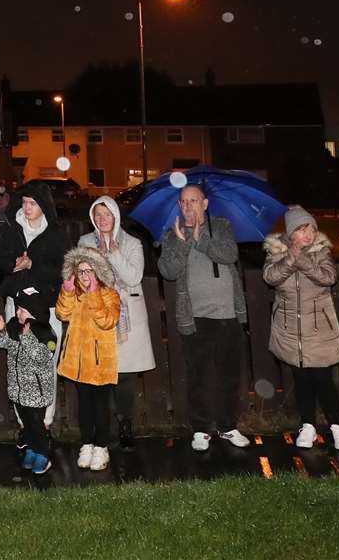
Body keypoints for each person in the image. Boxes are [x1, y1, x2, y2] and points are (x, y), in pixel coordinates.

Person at [158, 182, 251, 452]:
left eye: (194, 200)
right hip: (195, 317)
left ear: (205, 203)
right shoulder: (172, 234)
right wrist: (185, 242)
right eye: (184, 202)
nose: (188, 206)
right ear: (179, 206)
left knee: (229, 375)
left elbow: (229, 254)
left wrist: (201, 239)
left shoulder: (220, 225)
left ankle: (227, 425)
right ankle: (200, 429)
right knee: (197, 376)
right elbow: (168, 270)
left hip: (227, 315)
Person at [263, 206, 339, 451]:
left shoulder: (321, 251)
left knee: (323, 379)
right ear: (291, 233)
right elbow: (271, 277)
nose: (309, 235)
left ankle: (337, 426)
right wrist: (290, 258)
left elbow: (328, 277)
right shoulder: (275, 252)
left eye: (311, 228)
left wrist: (302, 259)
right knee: (301, 379)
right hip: (290, 329)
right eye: (302, 230)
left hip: (318, 329)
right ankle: (308, 425)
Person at [0, 181, 69, 431]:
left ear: (44, 206)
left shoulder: (55, 234)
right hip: (18, 305)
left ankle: (44, 422)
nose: (27, 207)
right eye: (24, 202)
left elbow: (63, 269)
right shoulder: (11, 230)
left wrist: (34, 266)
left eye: (32, 203)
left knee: (46, 360)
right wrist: (14, 264)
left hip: (47, 307)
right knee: (18, 360)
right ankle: (25, 425)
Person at [78, 196, 157, 448]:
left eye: (107, 214)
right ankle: (104, 428)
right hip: (98, 316)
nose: (102, 219)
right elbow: (82, 276)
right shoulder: (85, 242)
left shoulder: (132, 243)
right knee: (103, 375)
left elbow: (134, 277)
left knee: (125, 376)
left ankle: (126, 423)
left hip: (126, 318)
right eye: (98, 214)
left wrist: (113, 254)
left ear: (116, 216)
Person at [55, 246, 121, 470]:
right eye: (81, 271)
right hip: (78, 363)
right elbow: (62, 314)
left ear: (98, 272)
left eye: (89, 271)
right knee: (84, 406)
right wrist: (66, 292)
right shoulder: (74, 294)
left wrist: (94, 295)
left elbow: (107, 321)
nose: (85, 276)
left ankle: (102, 446)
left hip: (100, 363)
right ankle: (87, 443)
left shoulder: (109, 294)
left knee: (101, 406)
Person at [0, 305, 58, 474]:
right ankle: (32, 450)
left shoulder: (46, 331)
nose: (17, 313)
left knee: (37, 425)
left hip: (37, 393)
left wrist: (27, 339)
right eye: (17, 309)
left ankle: (43, 455)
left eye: (23, 310)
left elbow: (43, 357)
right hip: (19, 391)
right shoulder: (14, 328)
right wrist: (0, 331)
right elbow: (5, 343)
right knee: (27, 424)